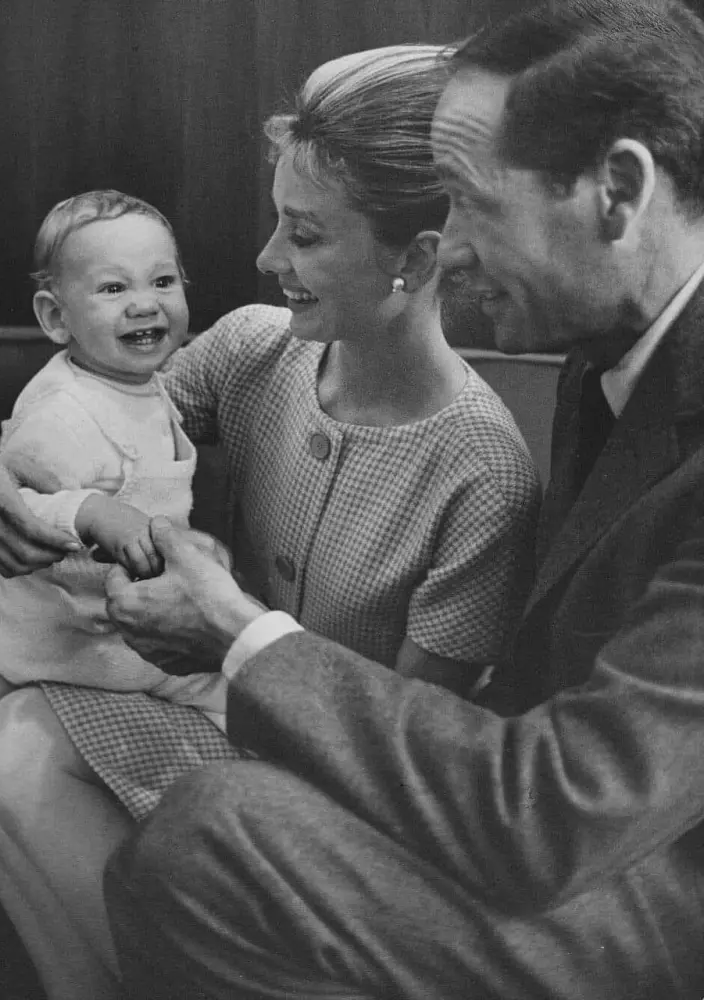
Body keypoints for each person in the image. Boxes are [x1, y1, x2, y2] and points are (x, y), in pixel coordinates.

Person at [99, 1, 704, 997]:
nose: (445, 248)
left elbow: (564, 812)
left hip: (657, 900)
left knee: (211, 834)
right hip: (572, 835)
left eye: (468, 201)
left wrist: (239, 634)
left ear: (619, 191)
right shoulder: (602, 355)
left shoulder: (516, 433)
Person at [0, 45, 540, 1000]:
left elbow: (415, 751)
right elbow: (80, 433)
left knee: (17, 740)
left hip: (330, 788)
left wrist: (229, 634)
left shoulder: (482, 470)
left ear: (416, 258)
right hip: (209, 707)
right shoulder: (259, 349)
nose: (265, 258)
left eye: (305, 233)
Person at [0, 189, 231, 731]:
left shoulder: (138, 383)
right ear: (56, 317)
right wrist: (92, 512)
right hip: (71, 640)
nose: (144, 304)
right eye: (114, 288)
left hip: (110, 609)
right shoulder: (63, 413)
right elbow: (13, 506)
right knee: (240, 690)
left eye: (162, 281)